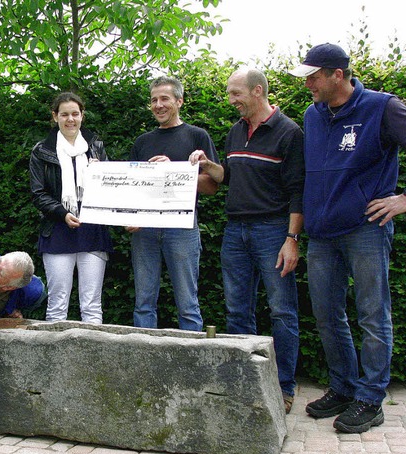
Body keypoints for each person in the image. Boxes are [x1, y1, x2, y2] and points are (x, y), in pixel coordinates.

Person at [289, 43, 406, 433]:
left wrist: (403, 200)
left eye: (314, 76)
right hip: (322, 235)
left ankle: (371, 399)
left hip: (365, 231)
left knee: (373, 315)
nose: (308, 83)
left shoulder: (383, 107)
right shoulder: (313, 114)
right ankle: (343, 387)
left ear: (338, 74)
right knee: (326, 315)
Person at [190, 68, 304, 414]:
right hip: (235, 230)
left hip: (273, 230)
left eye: (236, 93)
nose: (231, 100)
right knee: (237, 310)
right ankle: (247, 380)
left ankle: (283, 387)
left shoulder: (289, 132)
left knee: (282, 311)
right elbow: (230, 176)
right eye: (228, 93)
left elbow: (299, 190)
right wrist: (209, 165)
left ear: (258, 91)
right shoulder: (236, 131)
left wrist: (292, 238)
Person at [127, 76, 219, 331]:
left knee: (188, 304)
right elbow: (132, 188)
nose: (158, 105)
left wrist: (175, 173)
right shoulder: (142, 142)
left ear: (179, 101)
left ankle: (192, 365)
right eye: (154, 100)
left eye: (164, 99)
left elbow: (212, 186)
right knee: (143, 302)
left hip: (182, 228)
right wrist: (130, 217)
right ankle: (144, 361)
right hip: (144, 230)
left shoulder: (197, 136)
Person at [29, 92, 113, 324]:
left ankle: (93, 358)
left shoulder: (96, 147)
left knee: (92, 305)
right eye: (64, 114)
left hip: (92, 229)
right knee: (57, 304)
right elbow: (38, 194)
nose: (70, 119)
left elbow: (111, 189)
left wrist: (101, 173)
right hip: (57, 230)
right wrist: (63, 213)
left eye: (75, 114)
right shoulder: (41, 151)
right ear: (54, 116)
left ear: (82, 116)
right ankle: (54, 360)